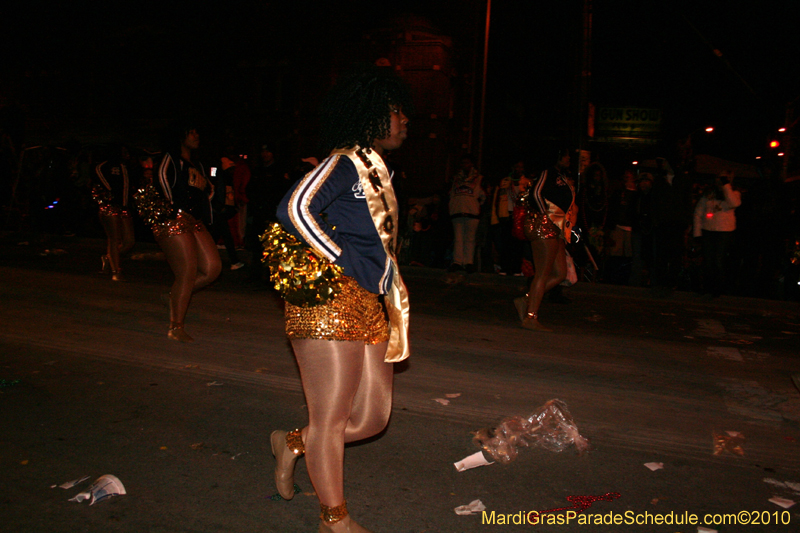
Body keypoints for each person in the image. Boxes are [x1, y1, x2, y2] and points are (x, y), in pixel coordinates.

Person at [273, 64, 412, 533]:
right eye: (395, 112)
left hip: (369, 302)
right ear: (371, 116)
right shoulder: (345, 161)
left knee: (373, 418)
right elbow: (294, 208)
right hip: (327, 299)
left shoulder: (378, 167)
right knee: (330, 419)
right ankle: (334, 520)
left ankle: (293, 443)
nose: (404, 119)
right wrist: (340, 259)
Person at [154, 125, 222, 342]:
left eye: (196, 132)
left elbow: (206, 190)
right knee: (187, 272)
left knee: (212, 268)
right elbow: (161, 181)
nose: (196, 135)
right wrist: (173, 211)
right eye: (191, 132)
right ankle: (176, 327)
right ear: (180, 135)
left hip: (195, 220)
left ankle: (173, 296)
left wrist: (207, 201)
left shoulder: (198, 164)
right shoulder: (169, 159)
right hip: (174, 219)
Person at [514, 149, 577, 331]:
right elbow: (536, 194)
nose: (568, 158)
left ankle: (526, 300)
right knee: (543, 272)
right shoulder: (547, 173)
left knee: (560, 273)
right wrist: (546, 217)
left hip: (557, 228)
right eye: (565, 155)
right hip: (545, 225)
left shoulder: (562, 176)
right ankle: (530, 317)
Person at [692, 170, 741, 297]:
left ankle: (719, 288)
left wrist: (726, 186)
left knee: (719, 260)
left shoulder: (733, 193)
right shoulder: (708, 194)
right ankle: (708, 287)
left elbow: (734, 203)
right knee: (708, 260)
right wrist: (697, 233)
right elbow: (698, 213)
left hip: (724, 232)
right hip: (708, 231)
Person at [93, 145, 136, 280]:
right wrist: (110, 193)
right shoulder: (103, 167)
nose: (126, 154)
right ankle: (116, 271)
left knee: (129, 241)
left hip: (124, 207)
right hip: (110, 206)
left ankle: (109, 258)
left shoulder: (128, 167)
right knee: (114, 238)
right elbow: (100, 179)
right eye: (123, 151)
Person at [448, 155, 485, 273]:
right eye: (463, 163)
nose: (465, 166)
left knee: (470, 238)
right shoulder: (455, 179)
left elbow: (484, 196)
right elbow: (450, 194)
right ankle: (458, 262)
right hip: (457, 211)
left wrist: (477, 206)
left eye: (467, 163)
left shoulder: (479, 179)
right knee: (458, 238)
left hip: (472, 212)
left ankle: (469, 262)